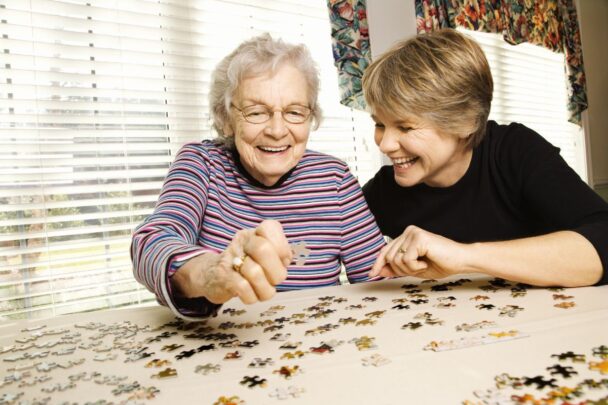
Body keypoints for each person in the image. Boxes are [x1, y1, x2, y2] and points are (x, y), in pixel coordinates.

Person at [131, 34, 385, 319]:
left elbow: (378, 281)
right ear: (225, 118)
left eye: (294, 112)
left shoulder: (334, 179)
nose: (277, 130)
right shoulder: (201, 164)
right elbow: (151, 242)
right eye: (256, 112)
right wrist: (210, 273)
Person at [361, 28, 608, 288]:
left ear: (465, 121)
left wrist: (463, 256)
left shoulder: (515, 151)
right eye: (379, 124)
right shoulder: (384, 190)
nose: (385, 144)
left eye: (406, 127)